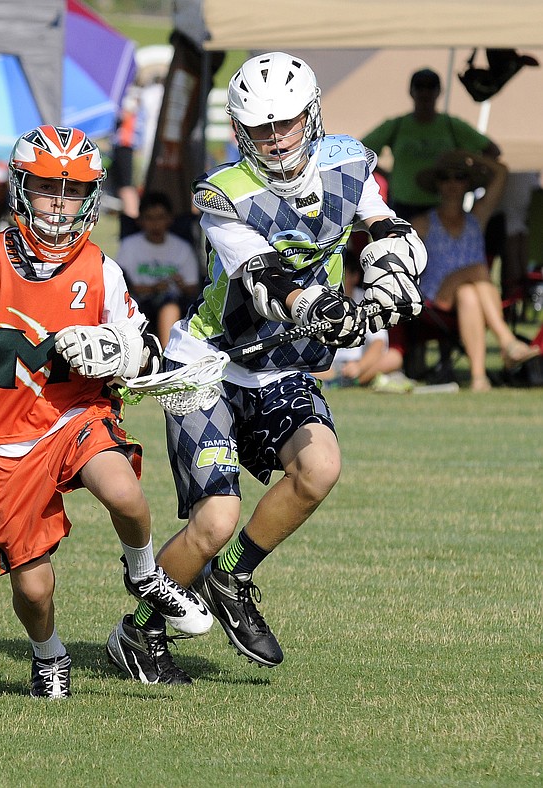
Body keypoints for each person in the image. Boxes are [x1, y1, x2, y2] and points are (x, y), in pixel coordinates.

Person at [106, 52, 427, 684]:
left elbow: (386, 227)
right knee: (216, 520)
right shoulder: (223, 195)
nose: (276, 139)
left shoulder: (349, 160)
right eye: (260, 129)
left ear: (312, 116)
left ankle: (233, 580)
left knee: (320, 467)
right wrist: (320, 308)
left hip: (279, 370)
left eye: (286, 123)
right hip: (209, 367)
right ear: (240, 131)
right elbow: (265, 279)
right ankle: (136, 634)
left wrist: (392, 278)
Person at [0, 125, 211, 699]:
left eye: (72, 191)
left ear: (91, 198)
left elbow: (137, 345)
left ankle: (144, 574)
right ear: (20, 190)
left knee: (125, 492)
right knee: (34, 590)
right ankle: (48, 653)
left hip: (75, 415)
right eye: (45, 189)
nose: (58, 205)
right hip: (6, 443)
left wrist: (113, 351)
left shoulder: (99, 267)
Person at [412, 150, 539, 392]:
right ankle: (507, 342)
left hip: (474, 298)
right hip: (437, 295)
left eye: (459, 176)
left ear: (468, 184)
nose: (452, 183)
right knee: (480, 269)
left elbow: (501, 171)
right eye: (445, 177)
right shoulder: (424, 223)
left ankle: (479, 378)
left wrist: (469, 156)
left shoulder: (476, 218)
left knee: (469, 293)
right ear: (437, 183)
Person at [361, 68, 501, 221]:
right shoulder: (397, 125)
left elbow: (492, 150)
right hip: (403, 206)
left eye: (431, 87)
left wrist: (469, 174)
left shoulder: (451, 125)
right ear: (411, 91)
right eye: (420, 86)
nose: (425, 92)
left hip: (444, 206)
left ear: (439, 91)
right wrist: (388, 176)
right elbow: (360, 152)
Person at [116, 191, 200, 348]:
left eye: (161, 218)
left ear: (170, 219)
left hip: (173, 303)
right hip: (138, 303)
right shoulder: (129, 245)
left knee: (169, 306)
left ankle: (167, 354)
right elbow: (120, 286)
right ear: (140, 220)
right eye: (149, 218)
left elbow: (193, 289)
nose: (155, 224)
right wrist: (153, 288)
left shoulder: (182, 248)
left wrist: (181, 284)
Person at [313, 257, 408, 390]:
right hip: (328, 366)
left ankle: (350, 381)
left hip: (359, 363)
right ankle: (347, 381)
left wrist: (359, 367)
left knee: (394, 358)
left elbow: (378, 343)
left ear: (355, 276)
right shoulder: (318, 302)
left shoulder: (368, 301)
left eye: (342, 276)